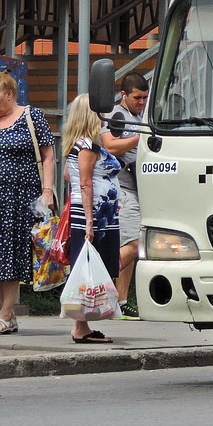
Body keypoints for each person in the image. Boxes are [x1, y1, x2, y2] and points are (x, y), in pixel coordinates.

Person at [64, 94, 122, 344]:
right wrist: (90, 222)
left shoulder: (80, 144)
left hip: (98, 213)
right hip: (94, 215)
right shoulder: (87, 145)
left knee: (89, 268)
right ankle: (81, 325)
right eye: (100, 111)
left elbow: (70, 177)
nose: (105, 115)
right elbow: (85, 183)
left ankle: (82, 323)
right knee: (88, 268)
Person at [0, 72, 55, 334]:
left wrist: (47, 191)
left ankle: (6, 312)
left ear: (9, 94)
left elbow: (48, 156)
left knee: (11, 254)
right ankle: (6, 315)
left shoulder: (32, 117)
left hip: (20, 198)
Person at [100, 71, 149, 320]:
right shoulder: (116, 115)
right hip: (122, 187)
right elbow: (109, 144)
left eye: (144, 98)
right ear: (123, 95)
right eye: (137, 97)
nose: (141, 102)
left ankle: (122, 301)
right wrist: (141, 139)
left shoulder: (140, 115)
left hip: (136, 186)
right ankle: (94, 284)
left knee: (130, 243)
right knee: (134, 245)